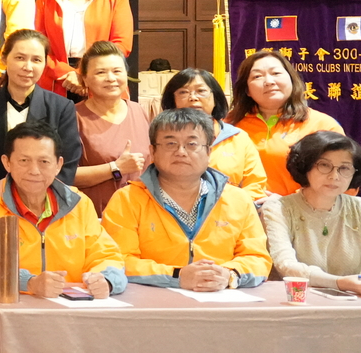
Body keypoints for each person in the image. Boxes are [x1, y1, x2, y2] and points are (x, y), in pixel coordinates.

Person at [101, 107, 270, 289]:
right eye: (170, 143)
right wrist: (177, 275)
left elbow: (257, 258)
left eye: (192, 144)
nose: (181, 152)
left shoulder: (237, 199)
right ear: (153, 151)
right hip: (150, 299)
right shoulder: (127, 199)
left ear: (208, 152)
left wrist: (229, 274)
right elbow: (118, 260)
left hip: (222, 298)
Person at [0, 121, 126, 298]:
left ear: (58, 165)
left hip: (70, 308)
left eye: (44, 161)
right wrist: (29, 282)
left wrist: (107, 280)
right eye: (24, 161)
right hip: (9, 304)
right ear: (7, 163)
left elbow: (107, 256)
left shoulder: (79, 204)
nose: (34, 171)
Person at [260, 132, 361, 296]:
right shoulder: (278, 208)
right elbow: (286, 265)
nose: (334, 176)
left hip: (350, 303)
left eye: (344, 168)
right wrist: (339, 283)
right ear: (305, 166)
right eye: (324, 165)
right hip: (291, 301)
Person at [231, 48, 345, 196]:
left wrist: (289, 202)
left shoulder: (323, 125)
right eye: (257, 76)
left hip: (303, 208)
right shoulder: (228, 125)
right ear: (247, 89)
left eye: (276, 73)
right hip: (239, 208)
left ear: (291, 79)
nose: (269, 81)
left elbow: (343, 179)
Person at [149, 68, 271, 200]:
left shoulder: (237, 137)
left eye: (201, 91)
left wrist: (229, 206)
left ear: (215, 98)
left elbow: (255, 185)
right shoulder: (164, 138)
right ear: (173, 100)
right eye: (183, 92)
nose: (193, 98)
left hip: (231, 209)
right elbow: (155, 181)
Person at [0, 29, 82, 187]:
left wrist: (38, 196)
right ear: (4, 58)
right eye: (20, 58)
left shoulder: (61, 108)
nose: (28, 67)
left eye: (36, 60)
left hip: (45, 197)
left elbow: (67, 164)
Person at [70, 41, 149, 213]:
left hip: (141, 214)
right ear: (85, 79)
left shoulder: (139, 111)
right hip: (94, 217)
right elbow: (62, 175)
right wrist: (115, 168)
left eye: (117, 71)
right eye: (101, 72)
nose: (111, 78)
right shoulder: (73, 116)